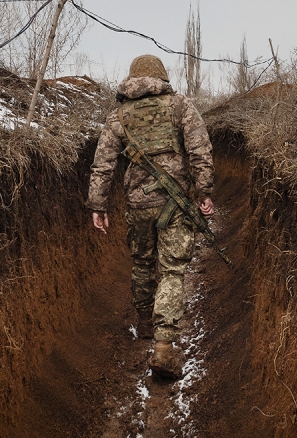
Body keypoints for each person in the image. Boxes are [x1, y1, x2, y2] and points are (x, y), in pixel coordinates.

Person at [87, 54, 215, 379]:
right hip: (174, 204)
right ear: (161, 76)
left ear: (132, 78)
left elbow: (103, 164)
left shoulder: (118, 115)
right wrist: (203, 191)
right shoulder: (180, 106)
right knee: (172, 271)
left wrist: (98, 206)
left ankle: (144, 325)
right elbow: (200, 149)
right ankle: (163, 346)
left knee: (143, 264)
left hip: (137, 204)